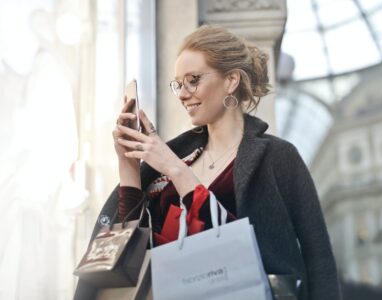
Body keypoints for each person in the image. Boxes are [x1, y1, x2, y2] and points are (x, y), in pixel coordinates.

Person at [74, 25, 342, 300]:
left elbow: (318, 257)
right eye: (178, 83)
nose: (182, 93)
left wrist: (176, 170)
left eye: (193, 79)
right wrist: (129, 166)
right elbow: (133, 249)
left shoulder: (278, 157)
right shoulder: (175, 156)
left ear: (231, 80)